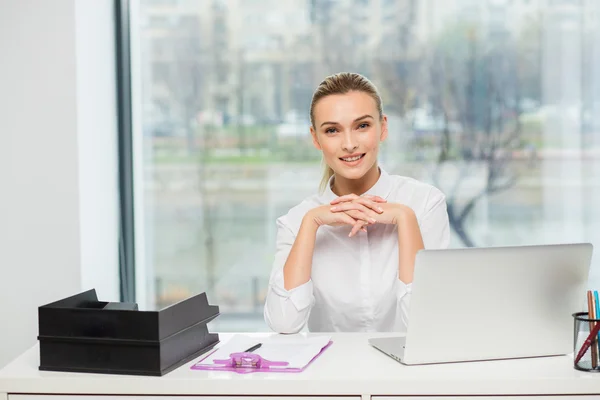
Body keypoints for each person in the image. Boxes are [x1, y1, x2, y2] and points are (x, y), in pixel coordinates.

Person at [264, 72, 450, 333]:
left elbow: (427, 322)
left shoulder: (425, 204)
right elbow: (284, 324)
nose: (349, 144)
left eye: (362, 126)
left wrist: (405, 219)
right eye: (332, 130)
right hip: (330, 371)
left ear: (383, 127)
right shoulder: (297, 221)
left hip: (408, 372)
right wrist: (312, 223)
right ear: (316, 138)